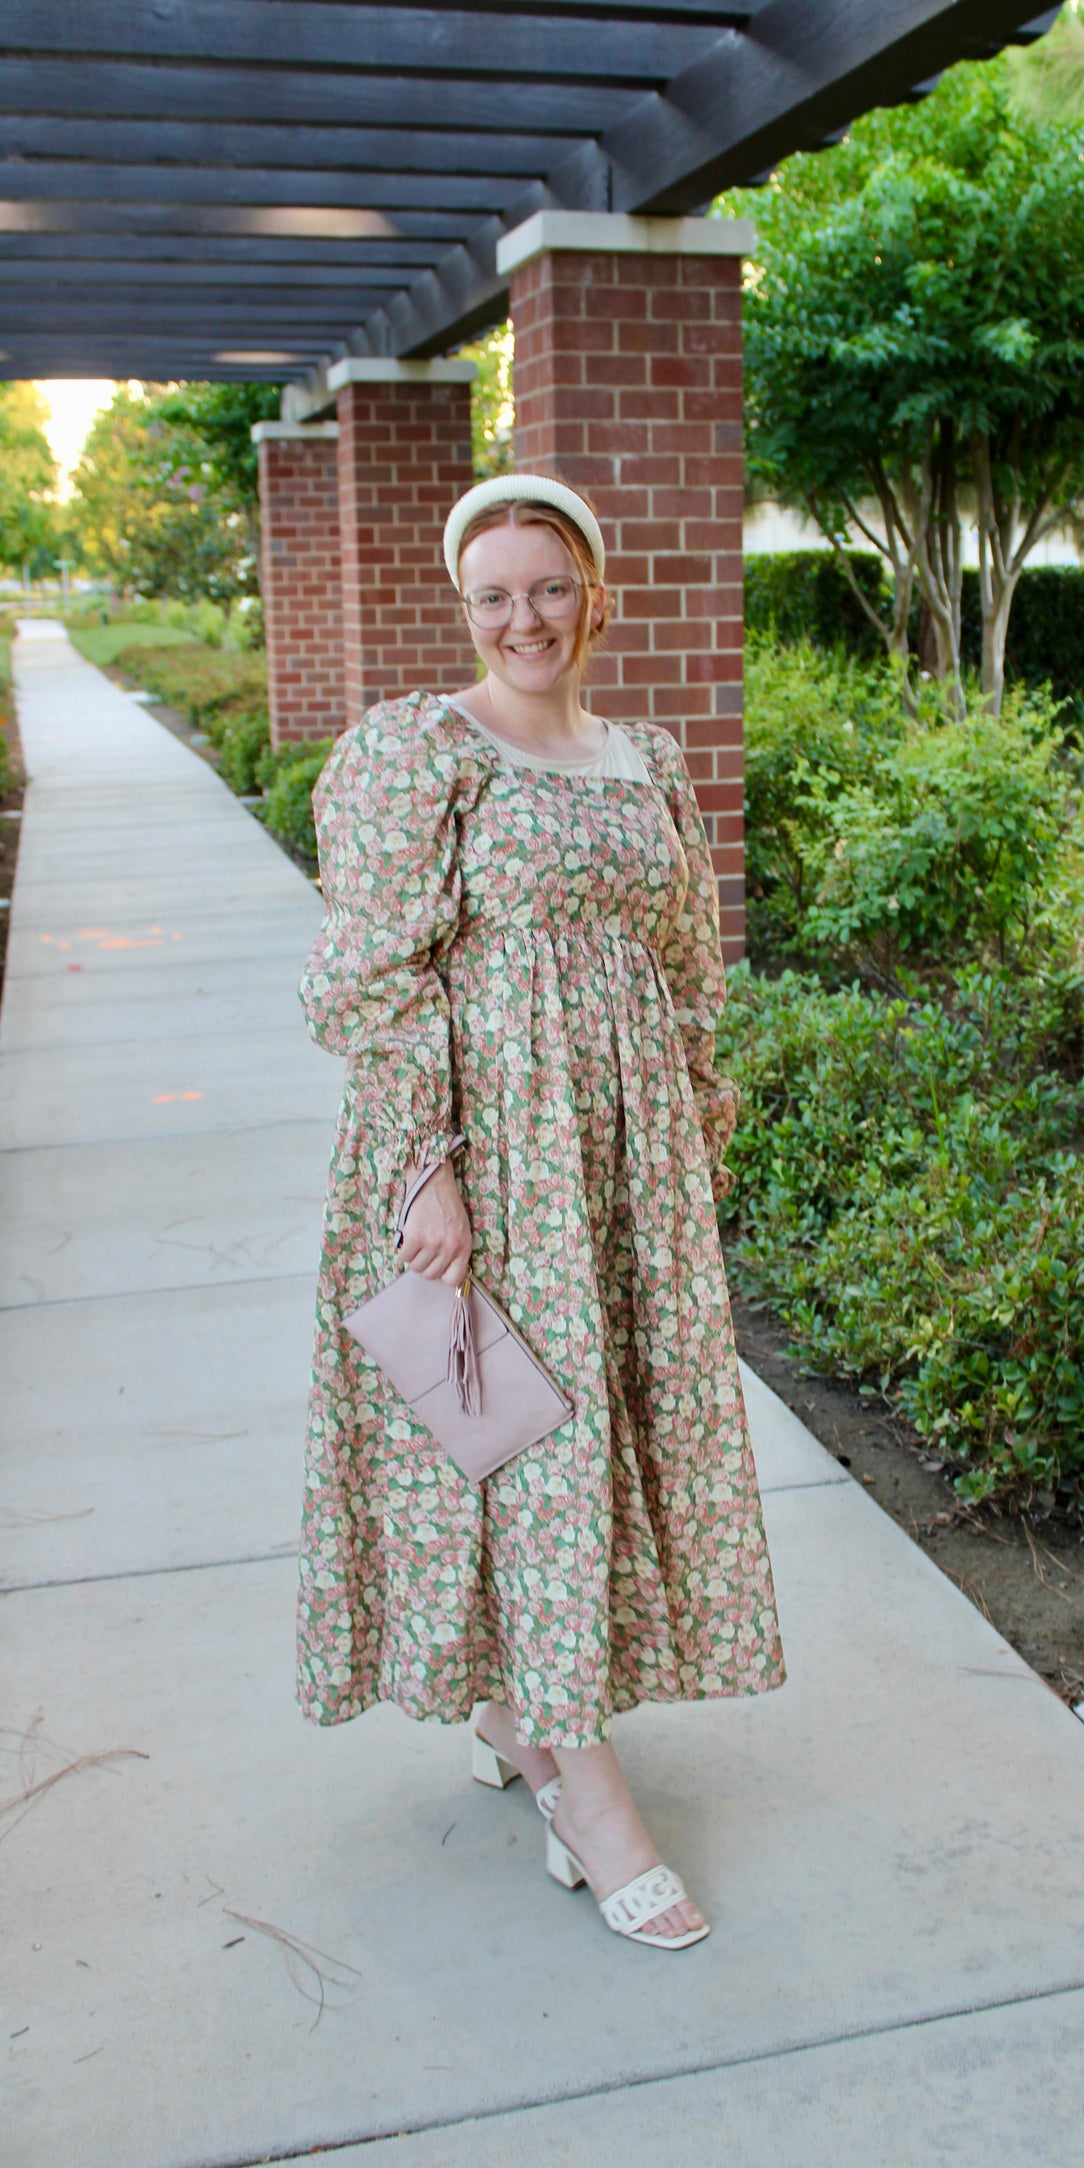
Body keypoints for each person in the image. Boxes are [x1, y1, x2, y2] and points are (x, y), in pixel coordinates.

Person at [296, 472, 786, 1951]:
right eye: (495, 594)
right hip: (490, 1162)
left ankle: (519, 1707)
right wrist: (425, 1166)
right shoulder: (420, 754)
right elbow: (367, 974)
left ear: (595, 596)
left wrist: (690, 1134)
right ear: (466, 608)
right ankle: (590, 1796)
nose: (525, 618)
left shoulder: (647, 763)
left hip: (618, 1165)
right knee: (528, 1446)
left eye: (550, 587)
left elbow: (687, 964)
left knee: (582, 1437)